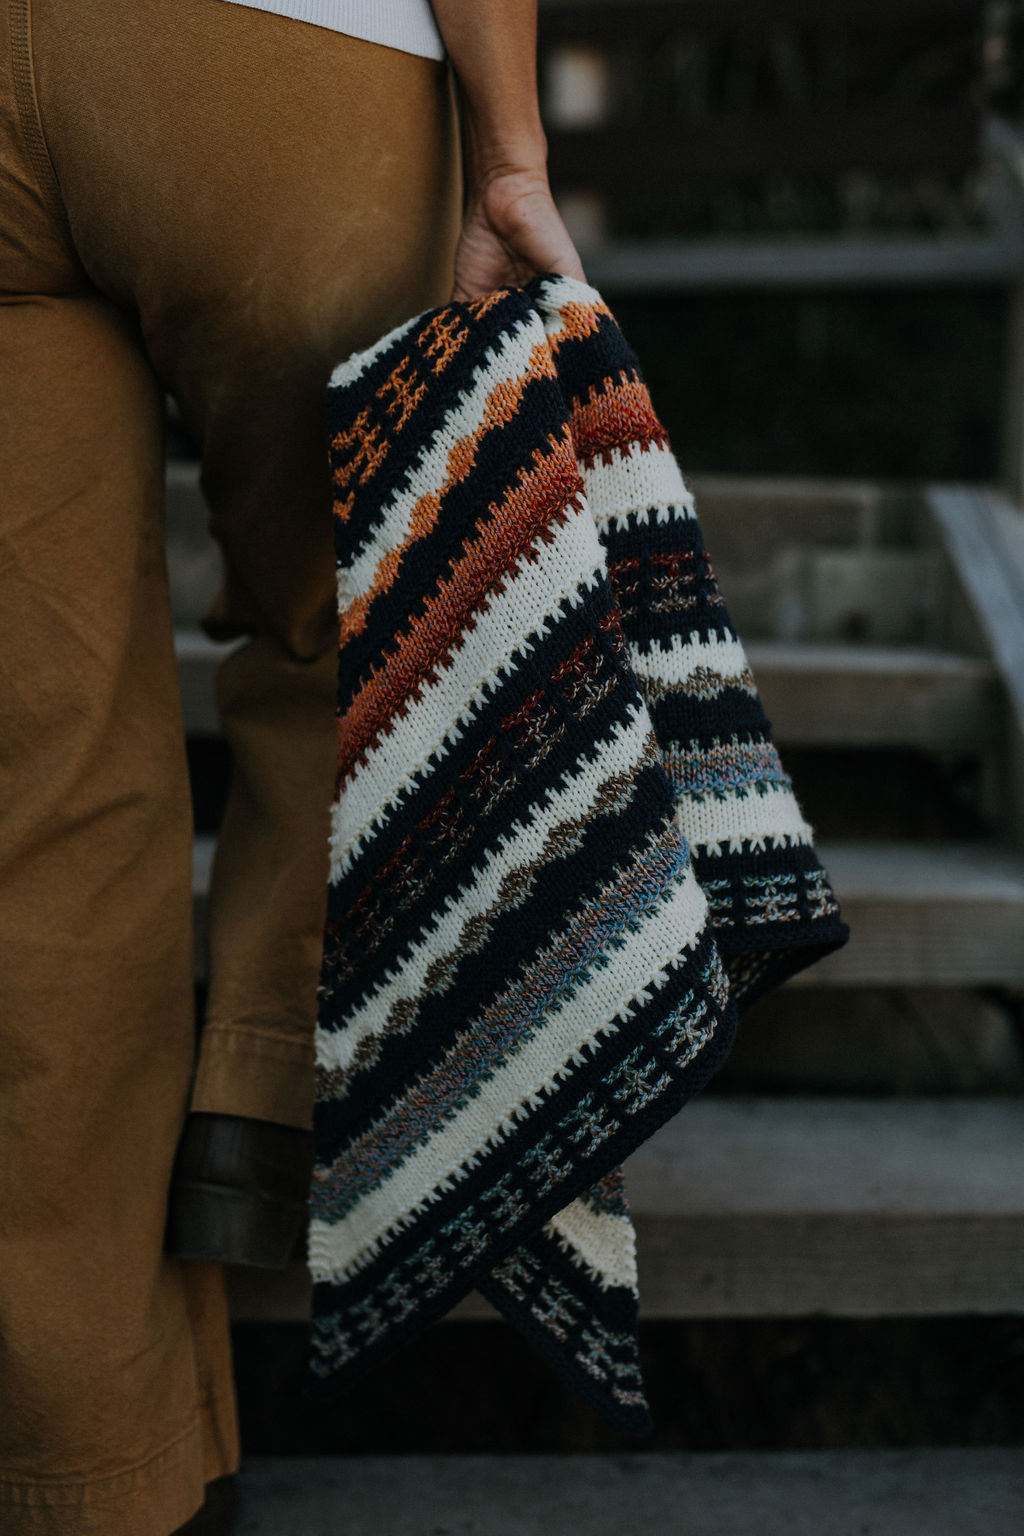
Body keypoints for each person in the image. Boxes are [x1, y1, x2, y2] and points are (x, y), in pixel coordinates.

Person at [0, 2, 584, 1532]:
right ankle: (278, 1110)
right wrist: (510, 142)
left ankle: (98, 1463)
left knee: (38, 782)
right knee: (352, 639)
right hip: (273, 47)